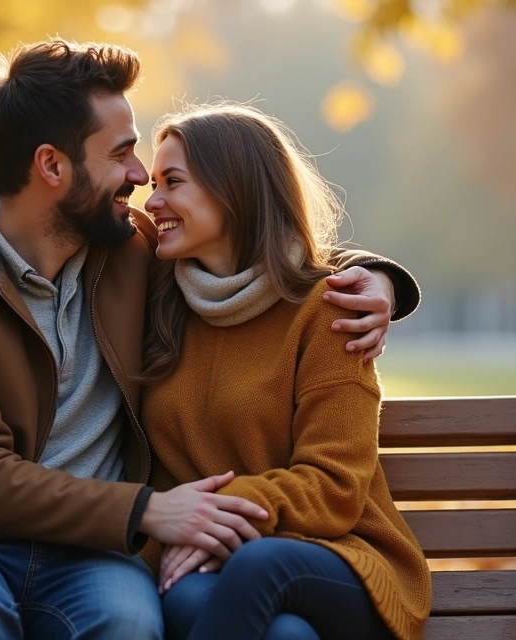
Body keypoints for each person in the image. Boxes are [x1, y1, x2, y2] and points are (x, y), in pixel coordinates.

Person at [0, 40, 421, 640]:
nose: (139, 178)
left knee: (128, 620)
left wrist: (378, 278)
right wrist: (150, 511)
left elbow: (255, 244)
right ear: (53, 166)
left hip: (97, 554)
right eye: (123, 154)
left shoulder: (133, 250)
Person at [140, 103, 432, 640]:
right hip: (205, 562)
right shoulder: (160, 302)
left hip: (338, 556)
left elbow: (336, 486)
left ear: (235, 189)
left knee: (261, 567)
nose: (152, 201)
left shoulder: (329, 312)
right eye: (152, 183)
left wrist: (225, 512)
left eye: (172, 182)